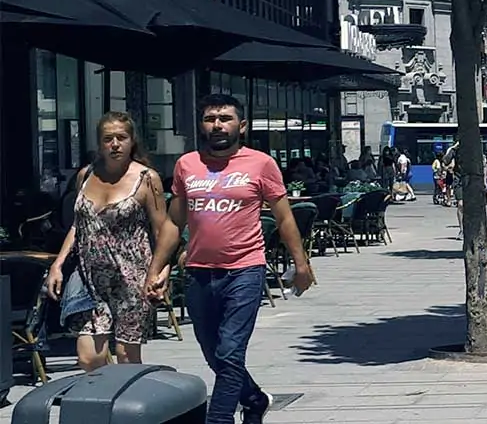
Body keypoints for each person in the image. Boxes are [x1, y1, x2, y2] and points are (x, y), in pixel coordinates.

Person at [171, 95, 313, 424]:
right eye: (210, 119)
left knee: (229, 352)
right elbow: (172, 221)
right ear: (201, 125)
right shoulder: (187, 165)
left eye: (225, 118)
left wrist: (301, 264)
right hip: (199, 273)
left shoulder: (261, 164)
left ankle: (218, 419)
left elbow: (284, 217)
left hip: (244, 270)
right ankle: (254, 399)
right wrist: (157, 266)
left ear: (242, 126)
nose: (217, 125)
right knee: (214, 355)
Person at [44, 113, 178, 372]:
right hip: (89, 277)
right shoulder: (86, 175)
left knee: (127, 358)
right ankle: (101, 404)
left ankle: (128, 408)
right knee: (89, 358)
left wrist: (162, 271)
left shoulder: (147, 179)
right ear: (99, 143)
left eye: (121, 138)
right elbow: (78, 225)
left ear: (132, 141)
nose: (115, 144)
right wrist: (58, 264)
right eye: (108, 139)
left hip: (132, 276)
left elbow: (163, 230)